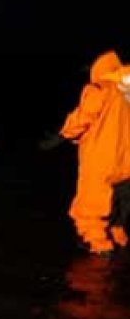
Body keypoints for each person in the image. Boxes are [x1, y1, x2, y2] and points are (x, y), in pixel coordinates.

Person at [55, 50, 130, 254]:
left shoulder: (101, 88)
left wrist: (64, 134)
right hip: (127, 162)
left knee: (90, 207)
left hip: (102, 158)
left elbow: (83, 118)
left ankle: (98, 246)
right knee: (121, 202)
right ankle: (119, 238)